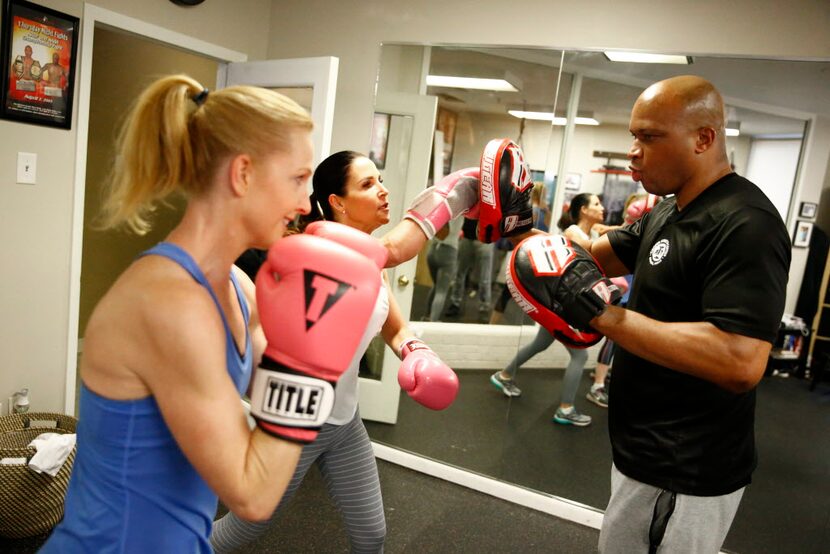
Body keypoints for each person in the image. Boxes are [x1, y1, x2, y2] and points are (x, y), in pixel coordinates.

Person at [40, 75, 387, 552]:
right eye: (297, 179)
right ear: (242, 174)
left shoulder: (239, 290)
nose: (306, 203)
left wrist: (319, 340)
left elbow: (280, 410)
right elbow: (252, 493)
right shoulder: (167, 303)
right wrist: (309, 362)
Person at [500, 76, 791, 553]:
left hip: (687, 468)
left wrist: (602, 313)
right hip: (643, 452)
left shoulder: (745, 224)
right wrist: (518, 224)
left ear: (704, 138)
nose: (633, 151)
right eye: (634, 136)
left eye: (649, 137)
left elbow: (740, 361)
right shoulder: (668, 211)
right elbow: (590, 254)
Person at [211, 150, 460, 553]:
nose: (382, 191)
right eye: (367, 184)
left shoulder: (369, 259)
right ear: (337, 203)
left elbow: (394, 327)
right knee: (238, 532)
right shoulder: (313, 263)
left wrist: (416, 352)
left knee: (372, 534)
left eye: (379, 179)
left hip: (345, 422)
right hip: (299, 426)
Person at [489, 193, 610, 425]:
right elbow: (589, 254)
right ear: (583, 210)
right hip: (561, 304)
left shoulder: (590, 234)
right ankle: (565, 408)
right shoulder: (575, 232)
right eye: (596, 204)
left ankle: (504, 375)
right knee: (580, 354)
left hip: (562, 303)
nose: (602, 208)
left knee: (540, 343)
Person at [446, 216, 494, 322]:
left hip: (485, 240)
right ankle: (455, 303)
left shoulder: (493, 200)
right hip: (467, 238)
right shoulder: (470, 199)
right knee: (460, 273)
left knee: (484, 277)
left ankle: (484, 307)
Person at [424, 216, 462, 321]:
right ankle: (433, 322)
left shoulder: (442, 207)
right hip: (449, 252)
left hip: (432, 250)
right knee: (441, 291)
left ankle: (426, 317)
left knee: (436, 286)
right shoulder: (461, 211)